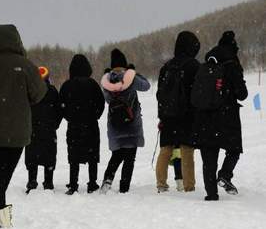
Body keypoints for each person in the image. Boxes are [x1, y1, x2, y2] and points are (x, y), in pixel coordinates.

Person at [0, 24, 46, 228]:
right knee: (5, 171)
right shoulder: (25, 65)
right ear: (17, 40)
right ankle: (1, 217)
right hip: (17, 126)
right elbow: (39, 93)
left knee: (0, 170)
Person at [193, 31, 248, 201]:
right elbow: (242, 94)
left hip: (204, 116)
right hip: (226, 115)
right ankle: (225, 174)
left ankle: (211, 194)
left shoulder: (206, 63)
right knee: (234, 149)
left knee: (209, 155)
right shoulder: (231, 63)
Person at [100, 49, 150, 194]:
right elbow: (146, 86)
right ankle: (124, 187)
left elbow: (108, 99)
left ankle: (108, 179)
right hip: (132, 124)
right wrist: (134, 72)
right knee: (130, 157)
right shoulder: (130, 78)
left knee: (117, 154)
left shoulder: (107, 81)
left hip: (115, 124)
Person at [155, 31, 200, 193]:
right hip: (186, 115)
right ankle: (189, 186)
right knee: (187, 150)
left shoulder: (166, 67)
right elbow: (197, 93)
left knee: (166, 149)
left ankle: (161, 184)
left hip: (167, 114)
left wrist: (162, 114)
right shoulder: (194, 65)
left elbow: (159, 94)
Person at [60, 54, 105, 195]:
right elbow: (101, 103)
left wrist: (70, 117)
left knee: (74, 156)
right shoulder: (93, 84)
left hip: (74, 126)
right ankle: (92, 183)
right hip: (91, 125)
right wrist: (94, 116)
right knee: (92, 156)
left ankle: (73, 185)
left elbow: (61, 106)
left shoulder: (67, 85)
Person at [25, 66, 62, 194]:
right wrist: (54, 124)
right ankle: (48, 182)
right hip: (49, 129)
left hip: (32, 129)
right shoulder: (52, 91)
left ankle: (32, 181)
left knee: (32, 155)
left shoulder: (29, 91)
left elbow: (24, 110)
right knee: (49, 156)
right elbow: (59, 110)